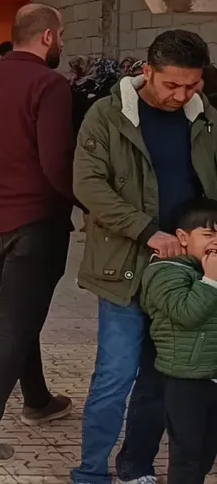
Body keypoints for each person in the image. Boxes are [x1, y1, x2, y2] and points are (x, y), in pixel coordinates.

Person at [72, 29, 217, 484]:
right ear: (147, 71)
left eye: (192, 85)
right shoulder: (107, 114)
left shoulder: (204, 116)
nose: (182, 95)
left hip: (185, 272)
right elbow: (88, 186)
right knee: (115, 376)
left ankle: (135, 466)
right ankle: (91, 472)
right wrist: (148, 232)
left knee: (159, 379)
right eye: (172, 85)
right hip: (125, 266)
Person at [0, 3, 76, 466]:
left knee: (22, 313)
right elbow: (56, 163)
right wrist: (87, 203)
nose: (62, 41)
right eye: (61, 33)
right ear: (47, 36)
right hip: (37, 222)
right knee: (15, 326)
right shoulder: (50, 84)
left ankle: (38, 400)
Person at [141, 198, 217, 484]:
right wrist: (211, 280)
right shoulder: (164, 272)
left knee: (207, 452)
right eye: (208, 234)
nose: (215, 242)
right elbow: (187, 314)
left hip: (213, 373)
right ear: (183, 238)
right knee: (187, 452)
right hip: (184, 377)